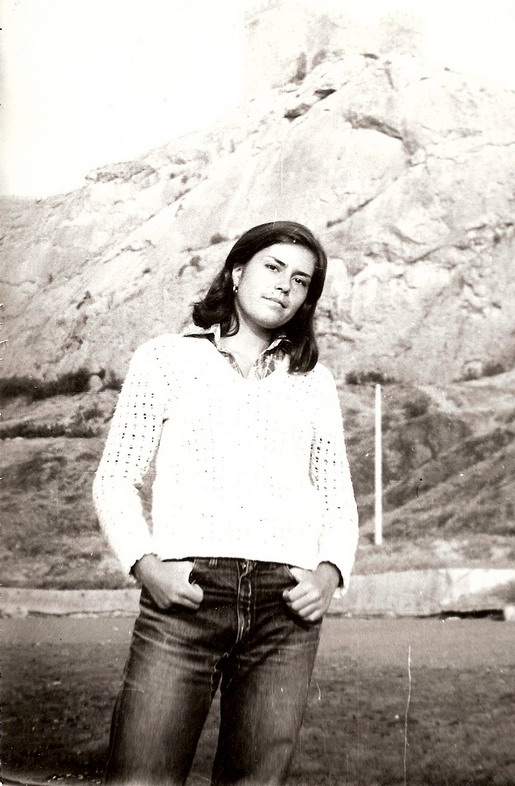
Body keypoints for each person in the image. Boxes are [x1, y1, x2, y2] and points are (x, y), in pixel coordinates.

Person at [93, 221, 359, 786]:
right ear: (237, 272)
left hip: (284, 610)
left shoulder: (314, 381)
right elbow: (114, 478)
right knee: (141, 777)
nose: (285, 285)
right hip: (187, 597)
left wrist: (329, 574)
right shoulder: (164, 359)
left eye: (302, 280)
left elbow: (337, 494)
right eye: (273, 267)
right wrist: (146, 566)